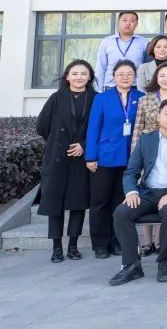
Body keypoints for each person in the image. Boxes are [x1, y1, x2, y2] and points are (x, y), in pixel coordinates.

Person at [108, 99, 167, 286]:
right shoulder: (146, 140)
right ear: (158, 117)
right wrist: (131, 191)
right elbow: (131, 171)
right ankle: (132, 265)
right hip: (148, 193)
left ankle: (163, 262)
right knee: (121, 212)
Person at [37, 60, 97, 263]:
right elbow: (42, 125)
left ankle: (73, 245)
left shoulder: (95, 99)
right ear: (67, 77)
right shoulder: (56, 98)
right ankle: (56, 247)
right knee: (55, 203)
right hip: (57, 157)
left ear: (90, 77)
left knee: (77, 203)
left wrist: (84, 145)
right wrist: (58, 142)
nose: (79, 77)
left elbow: (99, 128)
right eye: (75, 73)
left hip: (81, 158)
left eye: (84, 73)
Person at [86, 60, 144, 258]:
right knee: (100, 201)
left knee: (121, 203)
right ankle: (100, 244)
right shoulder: (102, 98)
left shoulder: (140, 97)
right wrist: (91, 156)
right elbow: (93, 129)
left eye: (129, 74)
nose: (125, 77)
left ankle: (116, 241)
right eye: (121, 74)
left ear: (134, 76)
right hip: (104, 157)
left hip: (130, 159)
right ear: (114, 76)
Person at [131, 62, 167, 154]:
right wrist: (134, 155)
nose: (166, 79)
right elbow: (138, 129)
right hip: (149, 148)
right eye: (162, 76)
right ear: (157, 79)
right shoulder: (144, 100)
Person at [95, 11, 148, 91]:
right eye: (124, 20)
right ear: (118, 22)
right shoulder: (107, 41)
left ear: (136, 24)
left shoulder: (143, 42)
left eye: (132, 21)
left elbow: (147, 68)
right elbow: (101, 67)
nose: (128, 23)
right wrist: (99, 90)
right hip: (111, 87)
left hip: (135, 87)